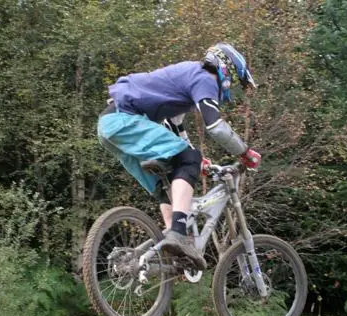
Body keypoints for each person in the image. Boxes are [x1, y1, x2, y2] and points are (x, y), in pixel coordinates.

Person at [97, 43, 262, 270]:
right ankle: (178, 233)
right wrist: (244, 153)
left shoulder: (187, 77)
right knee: (189, 159)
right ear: (226, 69)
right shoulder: (205, 79)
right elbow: (215, 126)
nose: (231, 87)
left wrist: (195, 160)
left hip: (110, 128)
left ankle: (175, 249)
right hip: (124, 120)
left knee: (167, 181)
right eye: (233, 80)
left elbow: (174, 128)